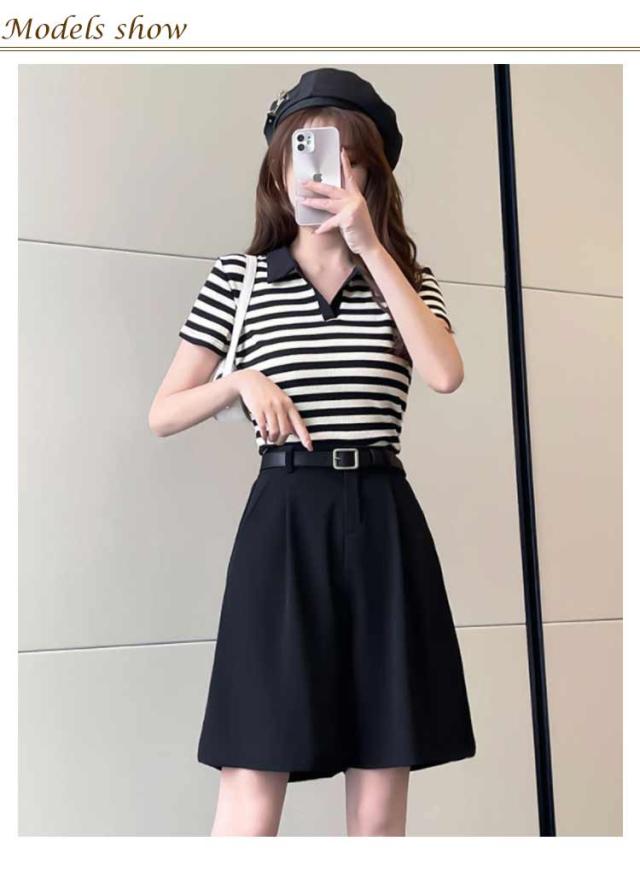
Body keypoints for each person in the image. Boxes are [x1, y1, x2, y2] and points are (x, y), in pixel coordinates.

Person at [148, 67, 476, 837]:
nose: (322, 174)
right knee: (252, 782)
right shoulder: (239, 280)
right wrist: (238, 382)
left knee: (379, 795)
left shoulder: (407, 283)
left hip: (382, 523)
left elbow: (445, 373)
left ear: (370, 176)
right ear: (279, 172)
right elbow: (163, 413)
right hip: (284, 523)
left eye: (343, 158)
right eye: (305, 154)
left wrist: (371, 248)